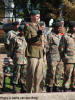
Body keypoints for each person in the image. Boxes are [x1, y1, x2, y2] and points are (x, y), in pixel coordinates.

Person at [24, 10, 44, 93]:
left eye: (38, 16)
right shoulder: (28, 26)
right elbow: (28, 40)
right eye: (35, 16)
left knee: (39, 74)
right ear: (31, 16)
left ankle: (37, 92)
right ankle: (29, 92)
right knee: (31, 74)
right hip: (32, 52)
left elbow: (42, 41)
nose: (37, 18)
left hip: (40, 53)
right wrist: (37, 36)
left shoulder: (40, 27)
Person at [46, 21, 63, 92]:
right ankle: (49, 86)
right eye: (58, 28)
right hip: (52, 57)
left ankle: (56, 85)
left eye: (60, 28)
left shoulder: (61, 36)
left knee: (59, 72)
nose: (60, 29)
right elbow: (47, 47)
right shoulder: (50, 35)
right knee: (51, 72)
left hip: (60, 57)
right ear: (54, 28)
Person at [11, 25, 27, 93]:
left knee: (24, 73)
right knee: (16, 73)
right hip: (17, 58)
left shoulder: (27, 38)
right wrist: (13, 56)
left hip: (25, 58)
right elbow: (11, 49)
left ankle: (23, 87)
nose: (23, 32)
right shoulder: (15, 38)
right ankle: (14, 87)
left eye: (24, 31)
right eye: (22, 30)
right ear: (20, 30)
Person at [59, 21, 75, 92]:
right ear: (70, 28)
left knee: (74, 75)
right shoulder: (65, 36)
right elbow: (61, 48)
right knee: (67, 74)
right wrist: (64, 57)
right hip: (69, 59)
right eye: (73, 27)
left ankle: (73, 86)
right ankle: (65, 87)